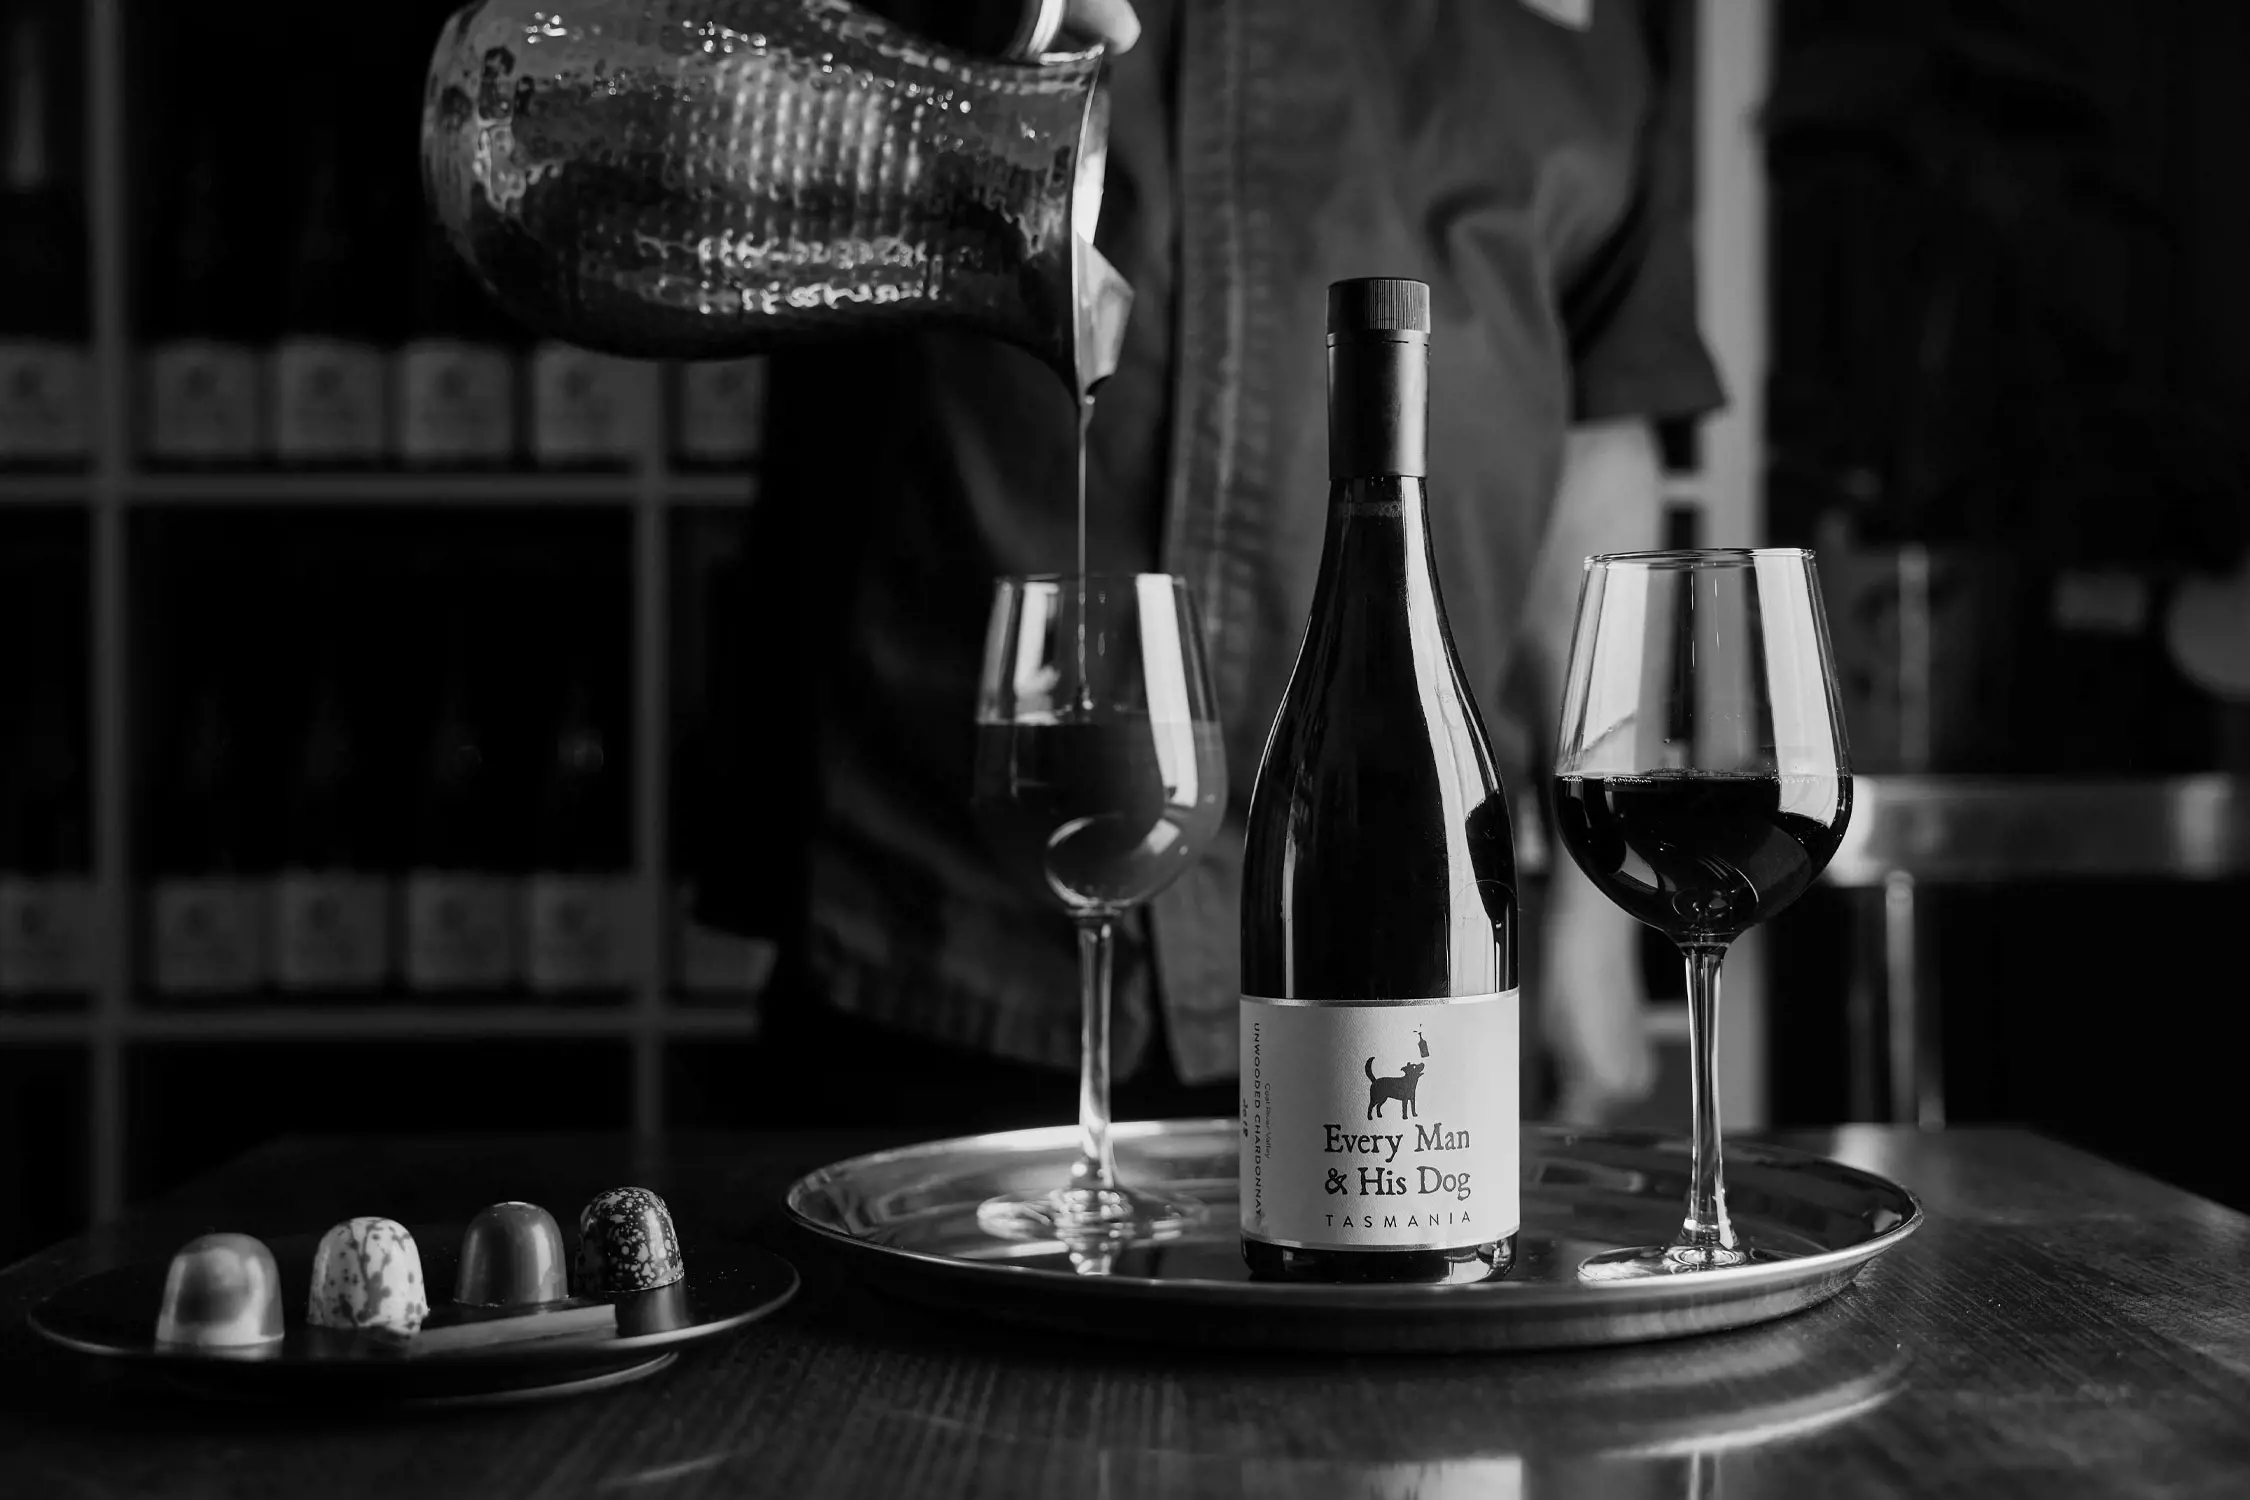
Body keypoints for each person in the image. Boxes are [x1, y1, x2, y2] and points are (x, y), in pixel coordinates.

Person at [688, 0, 1724, 1130]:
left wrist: (1589, 901)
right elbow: (662, 149)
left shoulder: (1607, 25)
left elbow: (1593, 425)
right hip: (947, 917)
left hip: (1420, 926)